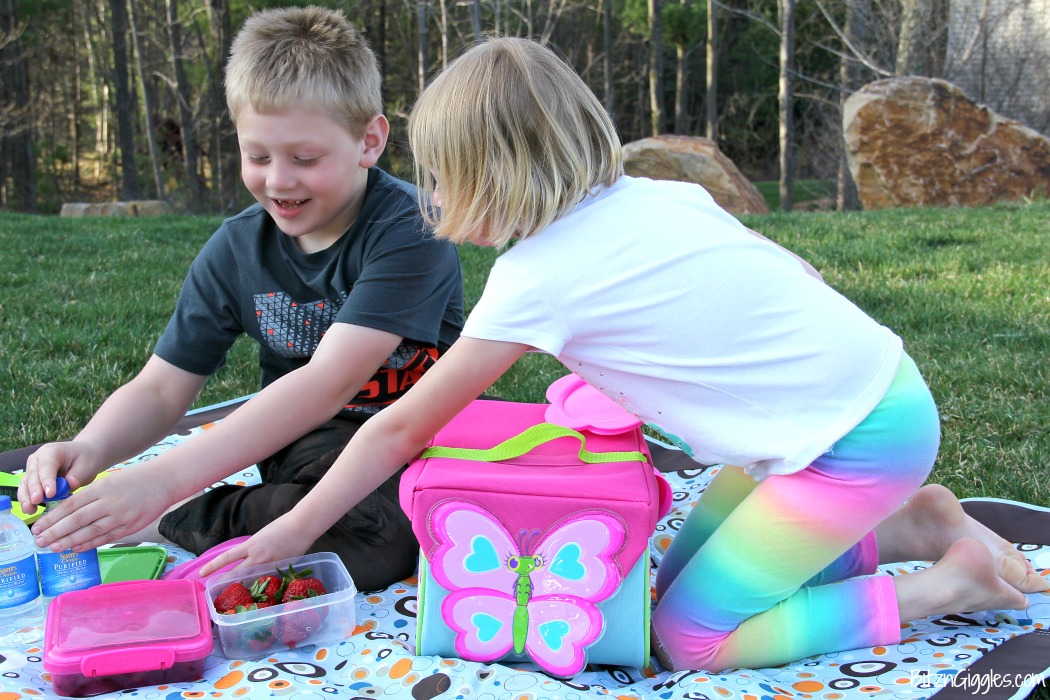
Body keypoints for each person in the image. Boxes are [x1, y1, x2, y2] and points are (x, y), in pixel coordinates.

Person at [73, 37, 1050, 669]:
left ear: (495, 174)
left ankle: (943, 582)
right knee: (687, 565)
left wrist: (290, 534)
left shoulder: (538, 277)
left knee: (688, 633)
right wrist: (605, 374)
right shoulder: (654, 195)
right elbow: (730, 290)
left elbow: (401, 427)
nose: (433, 209)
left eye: (445, 183)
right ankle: (915, 521)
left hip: (850, 446)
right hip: (877, 394)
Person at [20, 6, 463, 592]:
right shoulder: (235, 247)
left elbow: (327, 382)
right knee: (364, 528)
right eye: (257, 157)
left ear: (369, 141)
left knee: (400, 532)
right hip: (309, 444)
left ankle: (176, 520)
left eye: (305, 159)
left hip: (421, 437)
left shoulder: (410, 229)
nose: (278, 180)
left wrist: (164, 484)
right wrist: (89, 447)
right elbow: (161, 388)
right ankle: (249, 511)